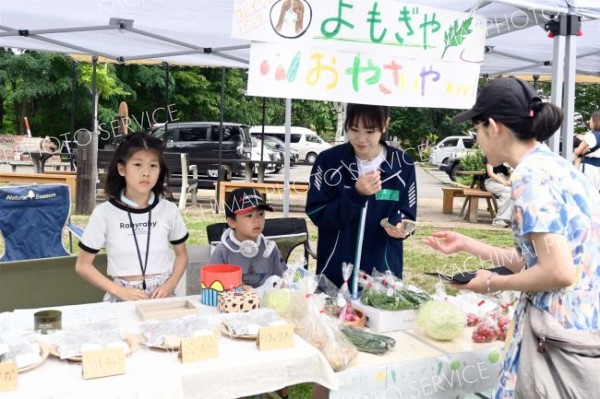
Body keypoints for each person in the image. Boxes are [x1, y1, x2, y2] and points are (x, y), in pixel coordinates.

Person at [424, 77, 600, 397]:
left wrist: (491, 282)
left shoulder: (529, 177)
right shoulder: (554, 168)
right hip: (579, 333)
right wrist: (469, 245)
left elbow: (557, 273)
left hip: (560, 342)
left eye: (476, 130)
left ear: (493, 126)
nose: (476, 139)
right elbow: (544, 261)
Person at [305, 103, 417, 287]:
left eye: (370, 131)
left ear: (385, 124)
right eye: (354, 129)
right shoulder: (327, 162)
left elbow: (407, 212)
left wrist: (400, 225)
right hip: (335, 271)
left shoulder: (403, 164)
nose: (361, 138)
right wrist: (355, 194)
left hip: (383, 274)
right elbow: (318, 213)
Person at [75, 132, 189, 302]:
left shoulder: (168, 210)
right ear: (122, 169)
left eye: (153, 166)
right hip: (123, 298)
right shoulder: (104, 213)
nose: (146, 173)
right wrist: (120, 291)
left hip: (163, 297)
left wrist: (170, 285)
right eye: (137, 165)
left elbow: (182, 255)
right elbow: (82, 265)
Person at [210, 187, 287, 288]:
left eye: (261, 214)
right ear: (232, 222)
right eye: (249, 215)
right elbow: (213, 285)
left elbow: (283, 279)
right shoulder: (223, 251)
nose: (257, 220)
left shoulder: (270, 249)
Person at [573, 109, 600, 191]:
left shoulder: (590, 135)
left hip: (588, 167)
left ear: (595, 121)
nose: (589, 121)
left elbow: (577, 152)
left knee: (584, 191)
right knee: (595, 193)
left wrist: (577, 147)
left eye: (591, 119)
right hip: (598, 169)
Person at [483, 158, 513, 228]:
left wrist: (509, 181)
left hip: (505, 180)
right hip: (491, 182)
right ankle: (498, 220)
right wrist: (503, 182)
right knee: (508, 191)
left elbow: (512, 172)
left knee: (519, 191)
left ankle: (513, 218)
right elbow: (490, 173)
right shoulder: (490, 154)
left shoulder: (508, 155)